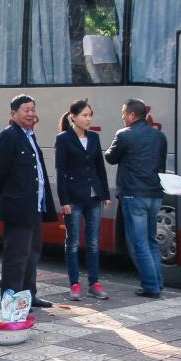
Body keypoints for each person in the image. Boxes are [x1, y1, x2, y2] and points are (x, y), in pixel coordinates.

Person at [0, 95, 57, 308]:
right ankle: (11, 303)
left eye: (33, 109)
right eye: (26, 110)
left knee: (32, 254)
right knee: (16, 258)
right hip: (18, 207)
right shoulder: (8, 136)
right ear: (13, 113)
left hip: (34, 206)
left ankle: (28, 296)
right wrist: (7, 198)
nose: (31, 114)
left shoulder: (30, 135)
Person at [104, 99, 168, 298]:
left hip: (134, 194)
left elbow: (110, 157)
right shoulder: (159, 136)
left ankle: (150, 286)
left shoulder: (124, 134)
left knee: (139, 243)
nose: (122, 116)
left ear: (132, 115)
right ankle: (157, 283)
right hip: (155, 194)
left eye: (124, 113)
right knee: (151, 240)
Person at [55, 99, 112, 301]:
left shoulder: (94, 137)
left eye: (90, 115)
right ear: (73, 117)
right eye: (84, 115)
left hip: (94, 196)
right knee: (72, 241)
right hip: (73, 198)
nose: (88, 119)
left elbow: (100, 167)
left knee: (93, 242)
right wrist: (64, 201)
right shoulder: (63, 139)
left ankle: (94, 283)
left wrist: (105, 194)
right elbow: (60, 172)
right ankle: (74, 284)